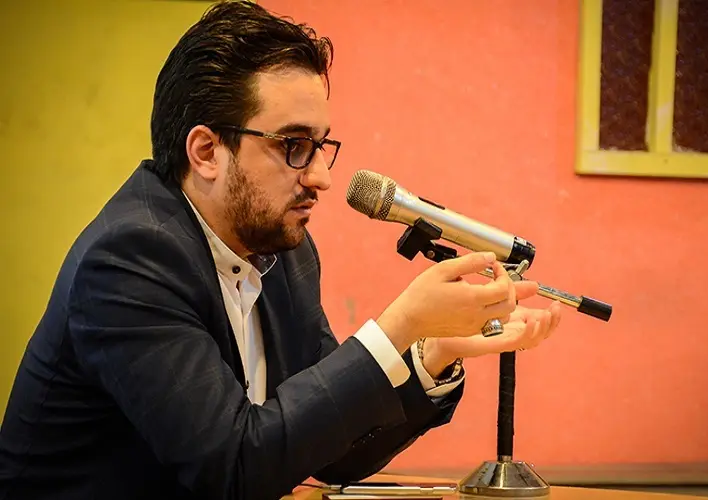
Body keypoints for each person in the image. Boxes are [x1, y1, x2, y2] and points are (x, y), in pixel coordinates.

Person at [0, 1, 562, 499]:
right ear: (206, 151)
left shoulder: (285, 253)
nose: (320, 176)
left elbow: (331, 452)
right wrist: (397, 327)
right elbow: (232, 468)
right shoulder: (131, 259)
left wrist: (433, 350)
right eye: (293, 145)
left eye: (321, 146)